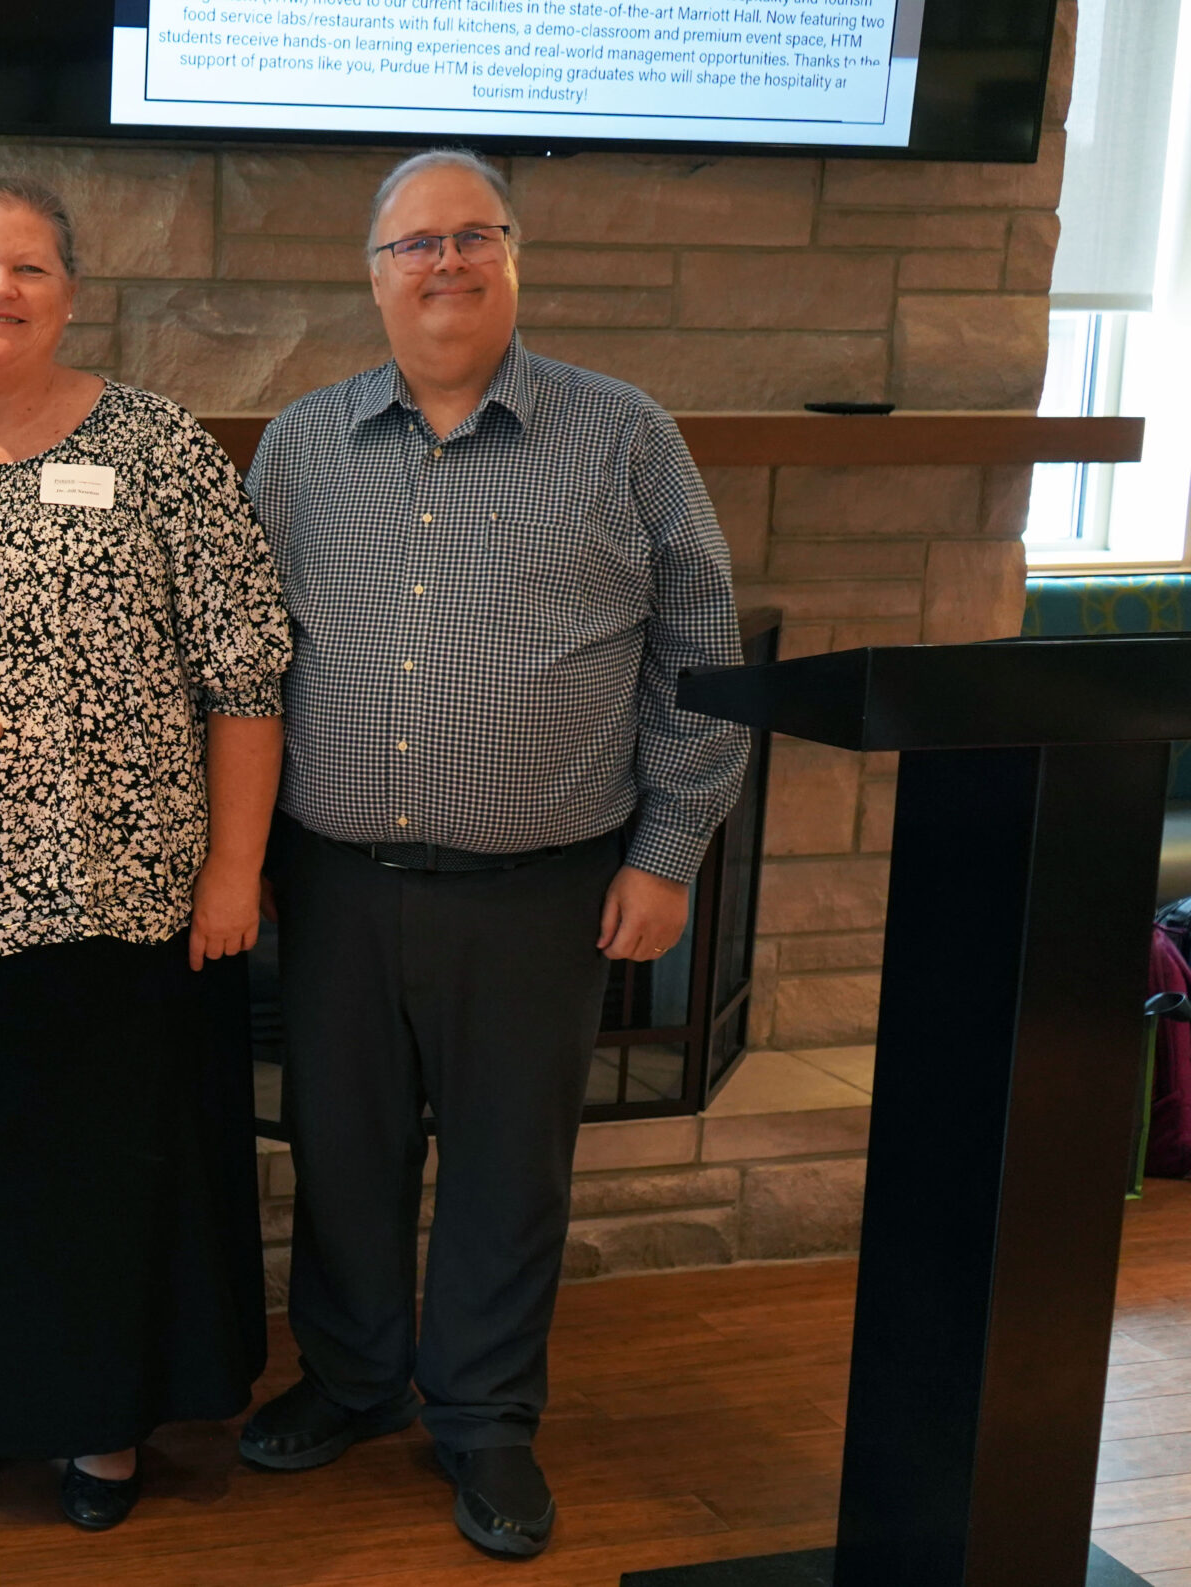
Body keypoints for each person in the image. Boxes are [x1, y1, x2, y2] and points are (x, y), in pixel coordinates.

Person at [238, 149, 749, 1558]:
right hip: (335, 880)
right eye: (415, 244)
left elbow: (703, 661)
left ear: (515, 259)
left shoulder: (624, 435)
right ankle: (349, 1377)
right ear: (374, 271)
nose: (444, 264)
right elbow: (247, 663)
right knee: (343, 1150)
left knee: (509, 1169)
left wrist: (669, 852)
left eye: (474, 238)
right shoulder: (301, 444)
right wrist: (248, 849)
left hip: (547, 888)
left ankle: (483, 1419)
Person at [0, 178, 294, 1532]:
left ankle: (102, 1428)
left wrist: (233, 872)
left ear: (72, 294)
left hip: (125, 892)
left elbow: (248, 677)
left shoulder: (158, 447)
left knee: (98, 1177)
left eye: (30, 268)